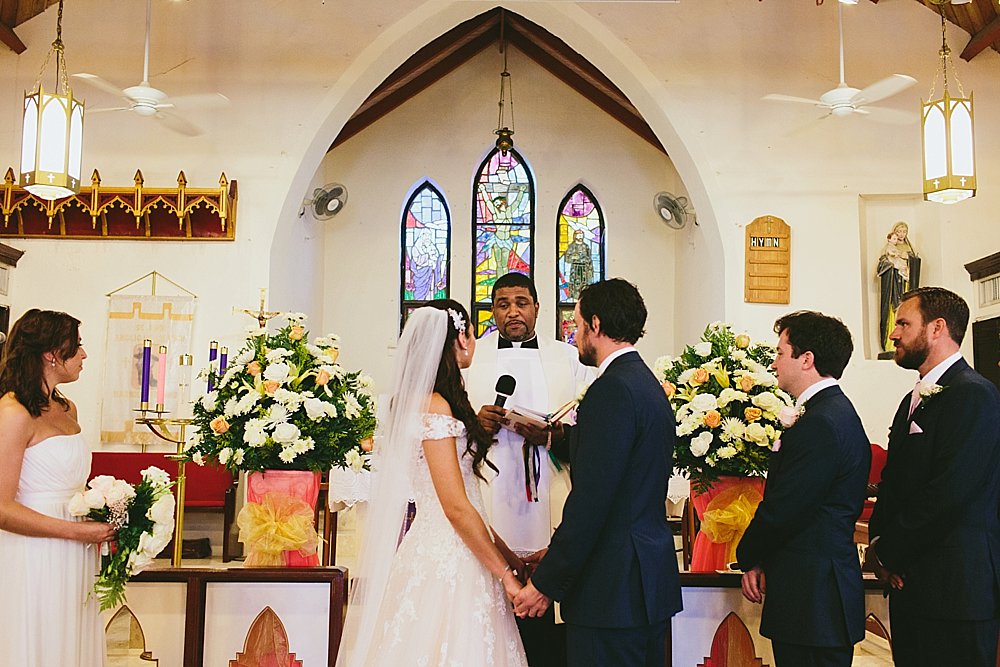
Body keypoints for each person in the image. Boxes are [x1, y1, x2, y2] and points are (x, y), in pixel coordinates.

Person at [336, 300, 527, 667]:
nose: (473, 340)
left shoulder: (426, 402)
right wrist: (504, 574)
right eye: (470, 331)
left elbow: (468, 501)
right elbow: (455, 506)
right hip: (451, 558)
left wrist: (506, 555)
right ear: (460, 338)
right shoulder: (435, 406)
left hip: (454, 547)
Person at [513, 278, 682, 667]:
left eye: (576, 325)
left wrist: (545, 584)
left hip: (611, 591)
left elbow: (592, 502)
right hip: (641, 582)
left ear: (596, 323)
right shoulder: (645, 383)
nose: (575, 336)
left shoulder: (612, 390)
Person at [867, 287, 1000, 667]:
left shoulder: (974, 395)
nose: (893, 334)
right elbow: (896, 481)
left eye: (904, 324)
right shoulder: (912, 398)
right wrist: (879, 542)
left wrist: (888, 549)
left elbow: (950, 491)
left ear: (937, 327)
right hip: (915, 583)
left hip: (956, 591)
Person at [466, 272, 592, 667]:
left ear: (538, 308)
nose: (513, 312)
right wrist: (476, 423)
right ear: (492, 312)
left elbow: (589, 419)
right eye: (503, 304)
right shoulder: (474, 357)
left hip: (550, 483)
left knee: (548, 624)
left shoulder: (566, 356)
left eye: (521, 302)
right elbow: (449, 419)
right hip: (490, 481)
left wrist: (555, 433)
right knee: (489, 606)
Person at [735, 311, 870, 667]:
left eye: (781, 352)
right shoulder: (828, 412)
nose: (775, 361)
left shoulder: (823, 422)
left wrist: (748, 555)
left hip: (814, 596)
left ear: (806, 359)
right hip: (812, 593)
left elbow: (786, 507)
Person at [0, 309, 115, 667]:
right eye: (76, 347)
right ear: (51, 353)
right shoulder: (13, 412)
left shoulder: (68, 409)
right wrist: (75, 532)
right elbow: (1, 508)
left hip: (76, 552)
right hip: (33, 553)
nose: (84, 355)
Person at [876, 221, 920, 354]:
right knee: (894, 308)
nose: (901, 234)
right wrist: (893, 265)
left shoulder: (909, 247)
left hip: (905, 282)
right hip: (893, 283)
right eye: (899, 232)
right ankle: (890, 344)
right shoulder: (889, 247)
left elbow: (915, 262)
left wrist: (907, 258)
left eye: (904, 232)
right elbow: (882, 265)